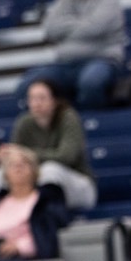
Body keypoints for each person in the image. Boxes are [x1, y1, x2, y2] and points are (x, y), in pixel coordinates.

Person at [20, 0, 126, 110]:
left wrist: (67, 28)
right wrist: (81, 24)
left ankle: (95, 122)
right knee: (28, 86)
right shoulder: (64, 0)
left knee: (90, 83)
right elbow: (50, 29)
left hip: (101, 59)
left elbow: (95, 28)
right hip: (65, 63)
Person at [10, 79, 97, 210]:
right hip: (36, 185)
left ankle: (51, 214)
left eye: (42, 98)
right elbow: (16, 156)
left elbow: (67, 156)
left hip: (78, 184)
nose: (37, 103)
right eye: (32, 98)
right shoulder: (23, 122)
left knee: (50, 170)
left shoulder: (68, 118)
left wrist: (29, 154)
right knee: (1, 173)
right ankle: (5, 213)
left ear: (54, 100)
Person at [0, 144, 70, 261]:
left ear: (35, 171)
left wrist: (19, 247)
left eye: (25, 163)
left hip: (25, 260)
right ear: (5, 174)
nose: (18, 166)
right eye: (12, 165)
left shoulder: (46, 201)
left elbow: (49, 236)